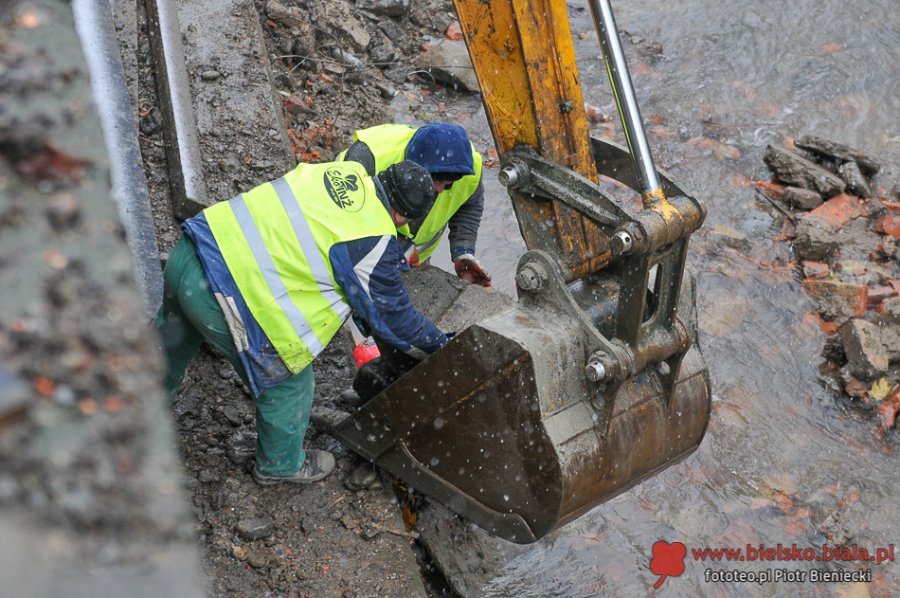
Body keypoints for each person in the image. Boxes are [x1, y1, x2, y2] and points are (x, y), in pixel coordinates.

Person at [155, 159, 449, 485]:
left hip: (191, 252)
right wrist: (440, 344)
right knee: (290, 386)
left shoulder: (339, 172)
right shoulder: (374, 240)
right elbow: (396, 316)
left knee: (172, 338)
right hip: (219, 299)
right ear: (401, 216)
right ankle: (280, 466)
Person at [341, 122, 492, 287]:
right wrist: (398, 245)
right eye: (436, 180)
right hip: (363, 248)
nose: (441, 189)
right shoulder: (368, 157)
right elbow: (346, 217)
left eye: (449, 183)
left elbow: (469, 205)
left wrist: (462, 250)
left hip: (416, 256)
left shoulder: (468, 166)